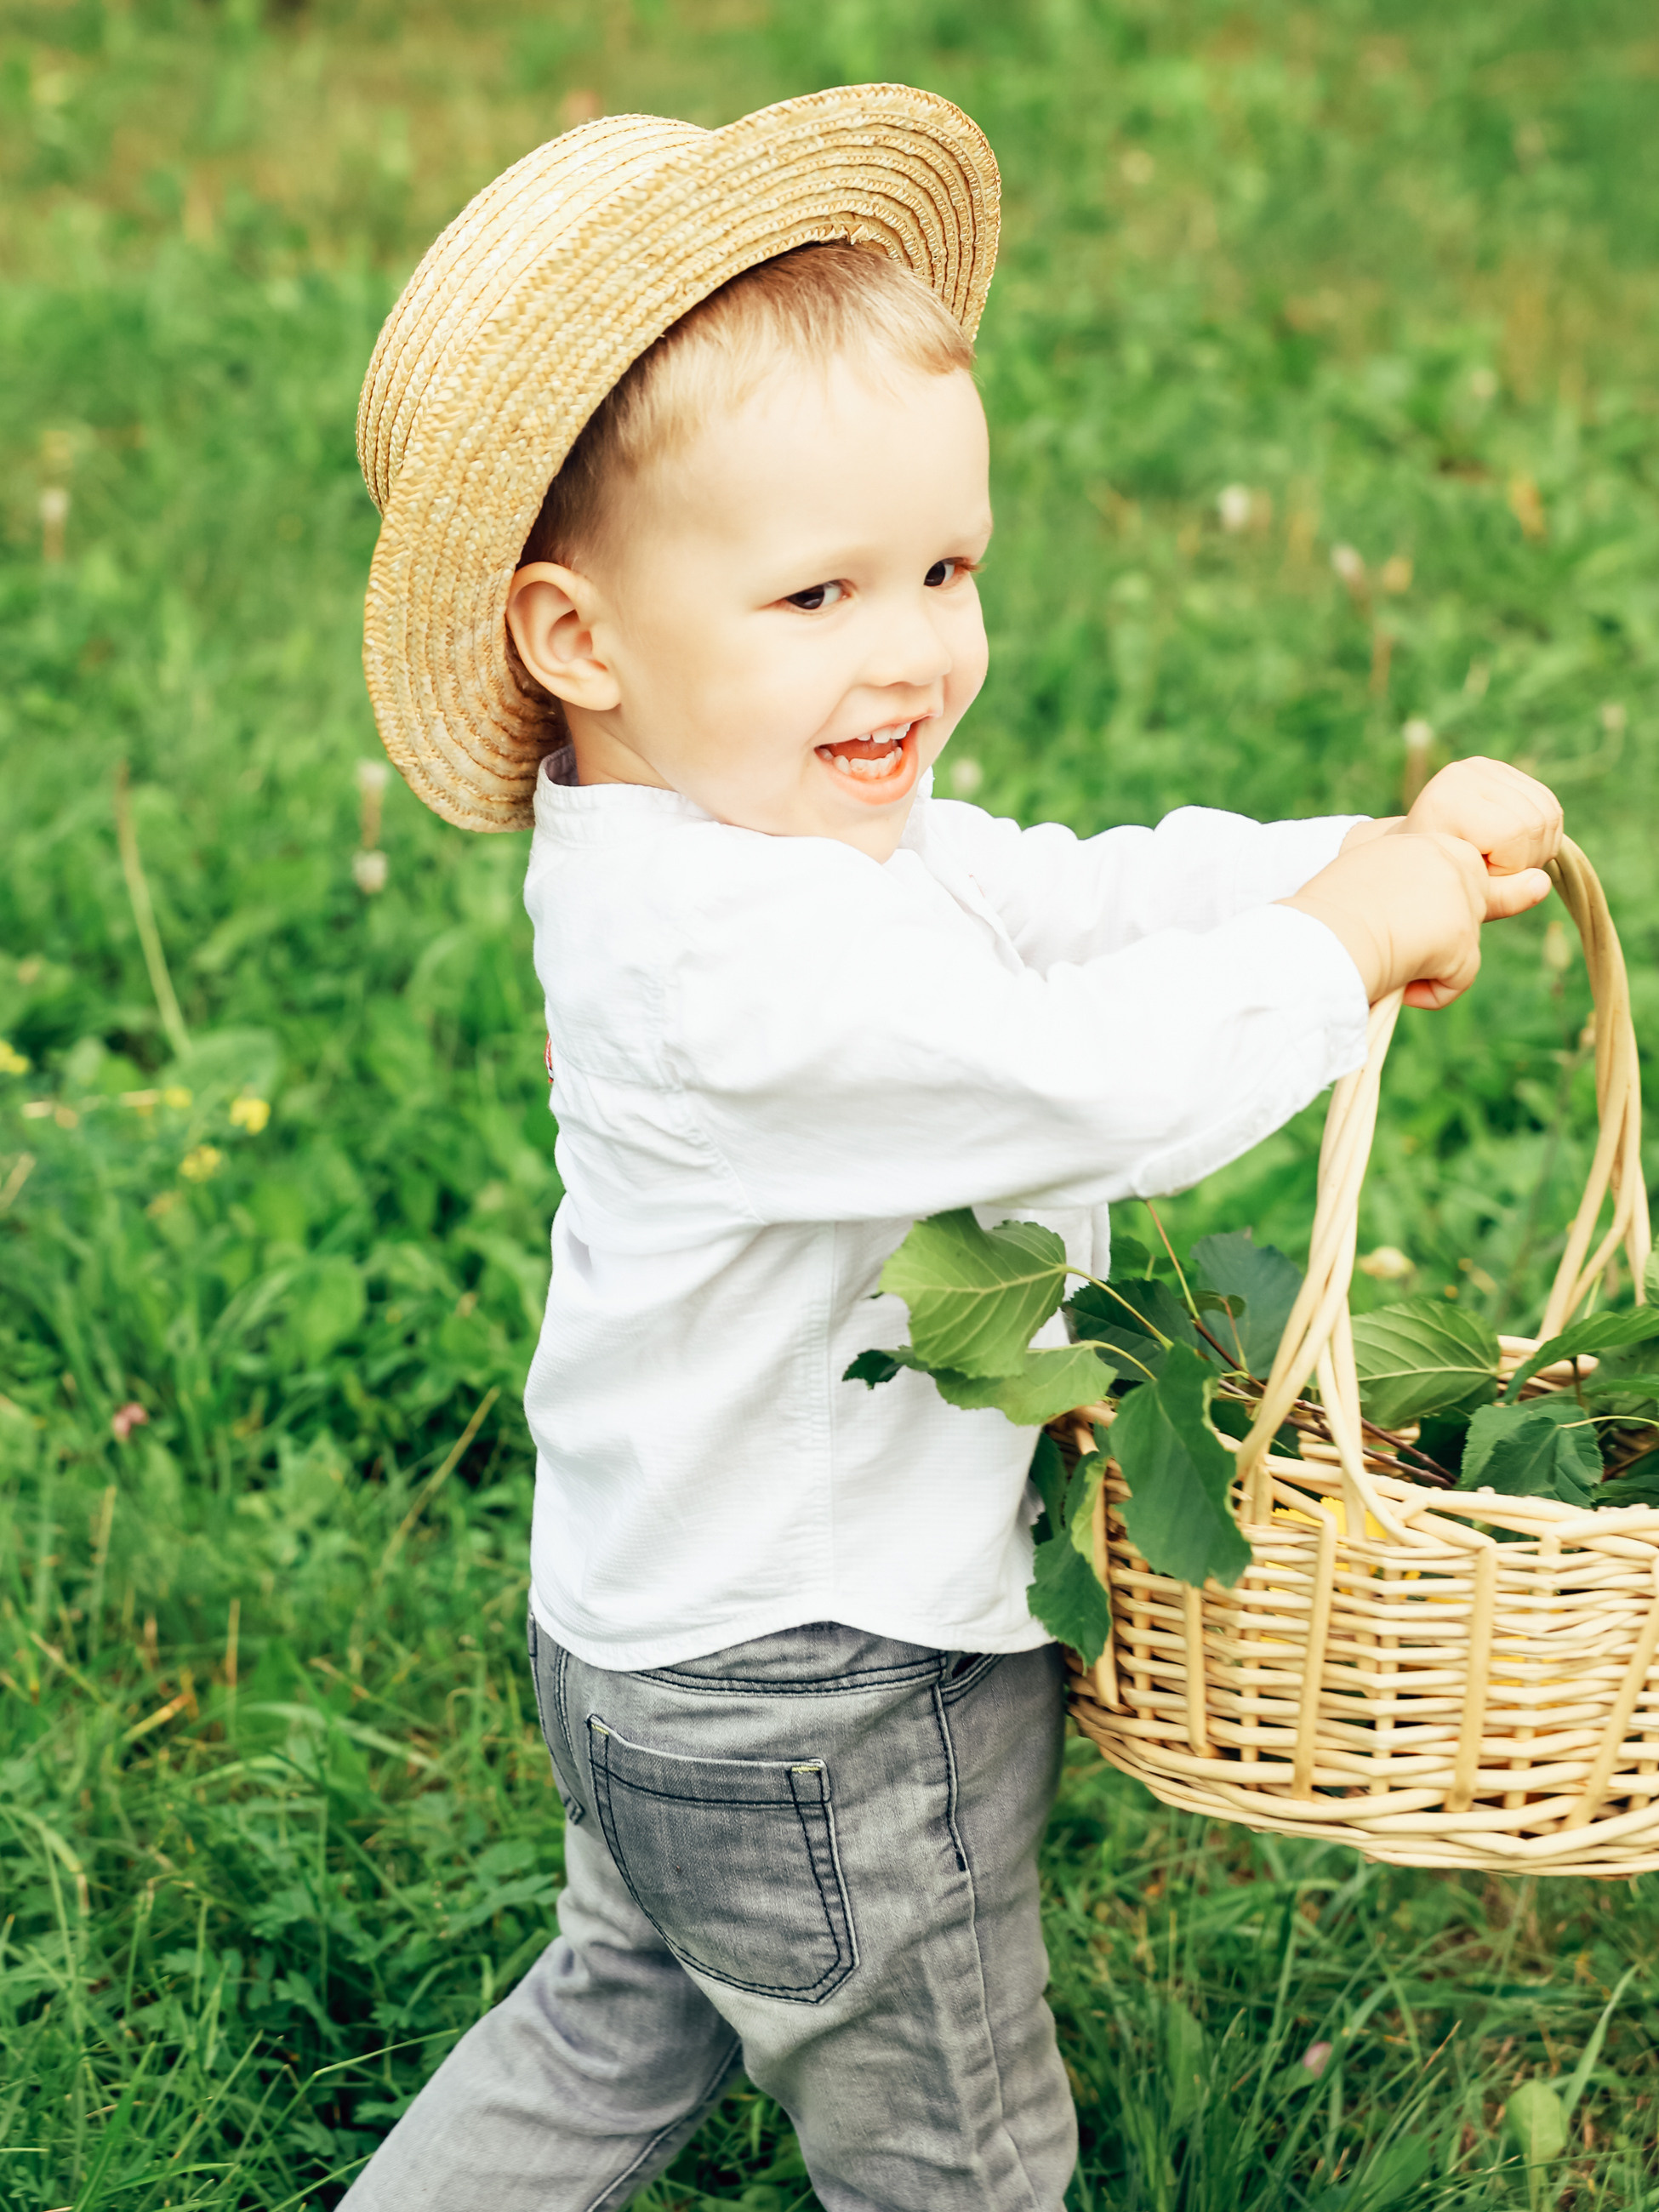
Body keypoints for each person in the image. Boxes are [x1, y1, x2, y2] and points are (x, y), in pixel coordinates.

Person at [342, 85, 1562, 2212]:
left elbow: (1067, 898)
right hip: (821, 1696)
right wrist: (1331, 952)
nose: (910, 643)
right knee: (959, 2154)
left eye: (943, 567)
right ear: (577, 637)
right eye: (816, 593)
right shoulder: (743, 969)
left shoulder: (733, 838)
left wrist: (1349, 867)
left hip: (653, 1644)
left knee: (619, 2014)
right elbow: (1096, 1074)